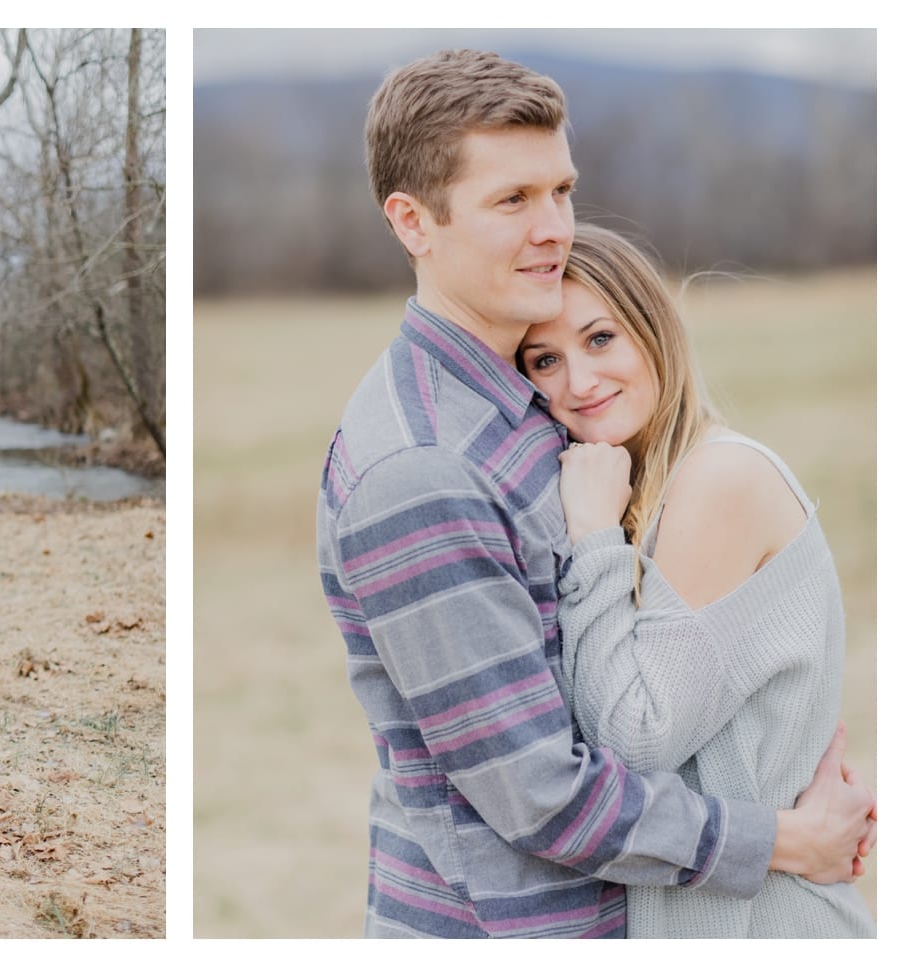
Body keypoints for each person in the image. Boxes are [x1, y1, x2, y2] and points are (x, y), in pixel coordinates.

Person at [314, 49, 876, 938]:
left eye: (561, 191)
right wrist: (778, 839)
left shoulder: (532, 408)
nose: (554, 229)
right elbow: (540, 794)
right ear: (413, 221)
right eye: (512, 200)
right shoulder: (421, 469)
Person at [516, 222, 876, 937]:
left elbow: (637, 741)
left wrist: (593, 539)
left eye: (599, 339)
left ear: (654, 330)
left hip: (768, 925)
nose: (579, 383)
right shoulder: (646, 481)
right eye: (543, 359)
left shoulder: (719, 479)